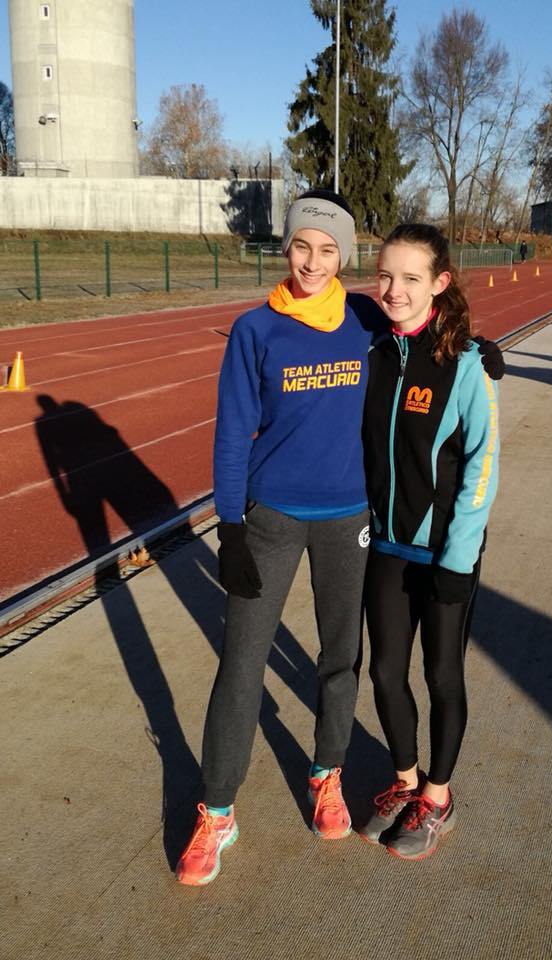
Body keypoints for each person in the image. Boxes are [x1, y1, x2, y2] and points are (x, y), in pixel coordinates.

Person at [175, 193, 505, 886]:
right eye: (302, 245)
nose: (313, 261)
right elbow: (232, 435)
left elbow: (426, 325)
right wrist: (229, 526)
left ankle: (328, 775)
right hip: (270, 517)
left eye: (329, 250)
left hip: (352, 520)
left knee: (341, 659)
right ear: (285, 247)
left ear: (344, 255)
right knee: (242, 662)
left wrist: (476, 348)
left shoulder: (364, 318)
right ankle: (218, 809)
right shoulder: (255, 330)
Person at [359, 223, 500, 861]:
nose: (394, 289)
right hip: (388, 547)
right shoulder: (373, 351)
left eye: (411, 278)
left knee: (442, 675)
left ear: (440, 283)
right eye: (385, 275)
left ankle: (438, 798)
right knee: (386, 673)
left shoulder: (467, 364)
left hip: (446, 553)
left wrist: (460, 557)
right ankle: (406, 781)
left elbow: (482, 465)